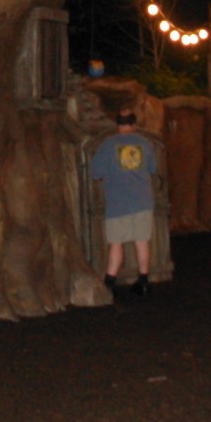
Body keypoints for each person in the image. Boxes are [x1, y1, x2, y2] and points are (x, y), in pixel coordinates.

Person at [90, 110, 159, 297]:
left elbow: (96, 172)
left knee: (116, 243)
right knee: (142, 240)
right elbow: (152, 168)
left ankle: (109, 283)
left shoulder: (108, 144)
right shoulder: (146, 144)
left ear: (117, 123)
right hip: (143, 200)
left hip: (118, 202)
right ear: (134, 124)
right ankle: (143, 281)